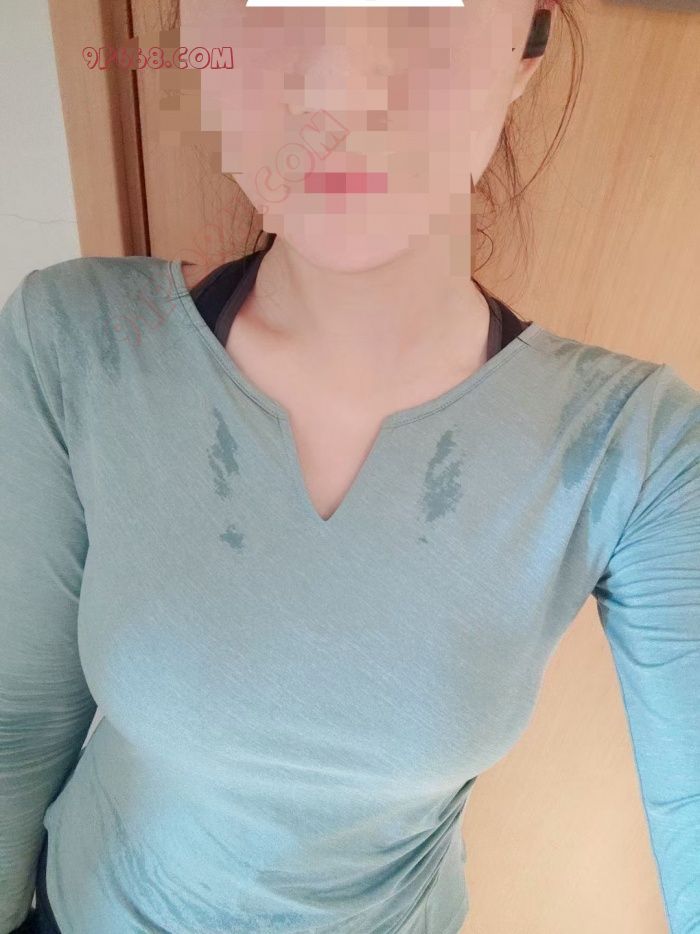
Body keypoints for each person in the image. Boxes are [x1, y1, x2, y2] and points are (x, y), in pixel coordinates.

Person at [1, 2, 698, 933]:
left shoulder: (634, 445)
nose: (336, 88)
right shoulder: (72, 341)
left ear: (524, 51)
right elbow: (15, 723)